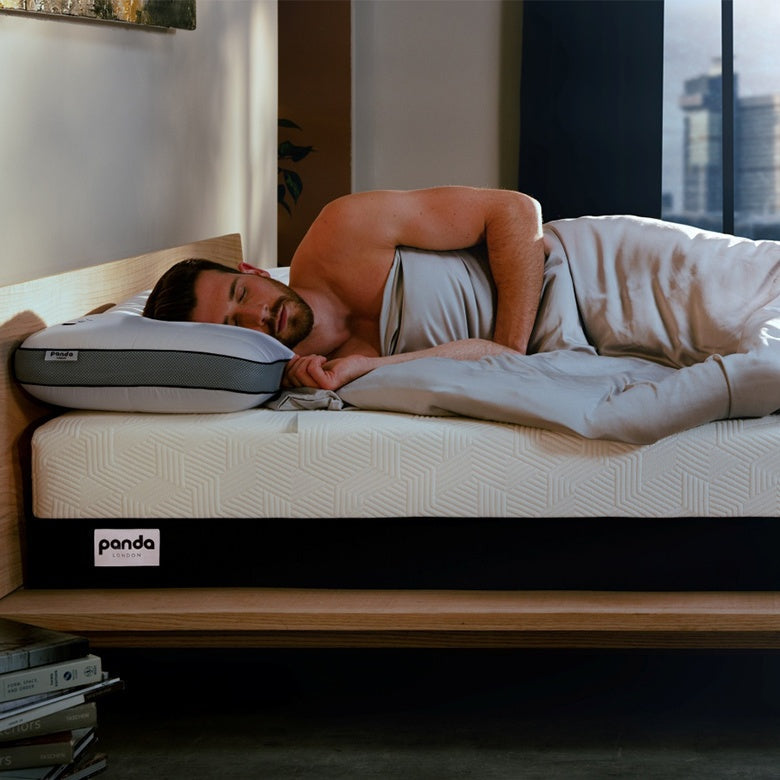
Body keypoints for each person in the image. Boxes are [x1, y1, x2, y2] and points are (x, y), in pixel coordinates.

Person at [143, 187, 546, 390]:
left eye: (243, 293)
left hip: (568, 273)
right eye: (234, 326)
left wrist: (511, 354)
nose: (258, 315)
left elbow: (515, 211)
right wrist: (359, 370)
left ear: (254, 271)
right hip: (557, 350)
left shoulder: (341, 230)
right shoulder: (317, 379)